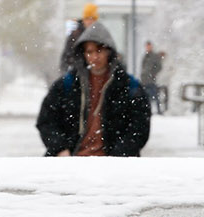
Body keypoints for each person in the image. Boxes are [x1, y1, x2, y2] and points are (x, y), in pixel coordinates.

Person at [37, 21, 151, 157]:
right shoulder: (67, 84)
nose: (94, 57)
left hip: (115, 166)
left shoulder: (129, 85)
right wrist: (60, 148)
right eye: (89, 52)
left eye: (99, 50)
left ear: (109, 51)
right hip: (71, 162)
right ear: (83, 54)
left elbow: (140, 126)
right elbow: (46, 120)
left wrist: (120, 154)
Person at [58, 2, 100, 76]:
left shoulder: (100, 36)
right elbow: (65, 58)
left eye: (92, 18)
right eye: (87, 18)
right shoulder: (74, 35)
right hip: (77, 75)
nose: (90, 21)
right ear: (83, 19)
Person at [140, 41, 166, 114]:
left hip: (151, 80)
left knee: (155, 95)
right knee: (146, 96)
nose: (148, 48)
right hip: (144, 80)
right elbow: (143, 67)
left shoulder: (155, 56)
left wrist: (152, 73)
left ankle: (158, 111)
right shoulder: (145, 56)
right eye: (147, 46)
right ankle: (148, 110)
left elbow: (159, 67)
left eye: (149, 46)